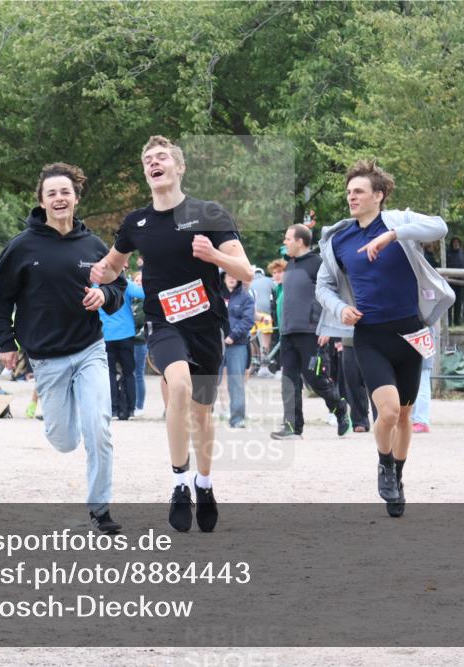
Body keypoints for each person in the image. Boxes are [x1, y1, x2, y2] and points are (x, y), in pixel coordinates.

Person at [91, 135, 253, 533]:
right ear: (146, 172)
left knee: (201, 415)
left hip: (207, 326)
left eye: (162, 157)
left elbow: (246, 272)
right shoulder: (136, 223)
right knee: (177, 385)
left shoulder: (209, 213)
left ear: (179, 168)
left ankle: (205, 483)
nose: (154, 162)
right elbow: (113, 265)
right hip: (162, 323)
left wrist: (214, 256)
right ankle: (180, 482)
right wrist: (101, 274)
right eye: (148, 159)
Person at [0, 162, 125, 533]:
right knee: (65, 441)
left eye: (65, 192)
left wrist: (105, 293)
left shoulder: (94, 246)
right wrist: (5, 342)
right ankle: (70, 418)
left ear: (76, 198)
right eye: (52, 193)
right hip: (46, 359)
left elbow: (119, 288)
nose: (59, 198)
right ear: (42, 201)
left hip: (89, 349)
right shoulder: (22, 247)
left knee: (99, 428)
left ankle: (100, 508)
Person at [316, 159, 453, 518]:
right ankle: (383, 463)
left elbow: (440, 227)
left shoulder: (400, 223)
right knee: (388, 411)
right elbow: (324, 286)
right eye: (348, 192)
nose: (351, 197)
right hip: (370, 334)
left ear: (379, 195)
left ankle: (398, 474)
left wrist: (395, 235)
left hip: (410, 331)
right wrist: (338, 309)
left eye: (358, 191)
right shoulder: (339, 239)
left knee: (405, 416)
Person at [270, 223, 352, 440]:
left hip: (312, 333)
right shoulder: (289, 266)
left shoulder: (318, 264)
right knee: (289, 382)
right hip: (288, 334)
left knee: (316, 378)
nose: (285, 243)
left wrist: (329, 329)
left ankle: (340, 409)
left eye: (288, 239)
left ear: (299, 241)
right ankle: (292, 427)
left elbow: (333, 296)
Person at [99, 266, 146, 420]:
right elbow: (142, 293)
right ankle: (131, 409)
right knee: (129, 373)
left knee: (109, 373)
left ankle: (113, 409)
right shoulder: (124, 283)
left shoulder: (97, 285)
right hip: (126, 333)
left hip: (106, 335)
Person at [220, 272, 254, 428]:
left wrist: (233, 336)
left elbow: (248, 320)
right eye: (228, 275)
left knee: (236, 382)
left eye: (235, 275)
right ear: (223, 277)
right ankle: (203, 415)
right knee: (210, 379)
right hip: (215, 344)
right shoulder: (215, 294)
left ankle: (237, 419)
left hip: (237, 344)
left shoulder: (246, 298)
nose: (232, 278)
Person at [249, 267, 275, 377]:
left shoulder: (249, 281)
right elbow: (276, 292)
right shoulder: (268, 280)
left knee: (251, 341)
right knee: (265, 342)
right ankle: (264, 368)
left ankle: (252, 367)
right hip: (264, 315)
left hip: (251, 315)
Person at [130, 271, 148, 417]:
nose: (139, 283)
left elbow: (139, 319)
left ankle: (139, 405)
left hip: (140, 341)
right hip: (127, 340)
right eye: (136, 281)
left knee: (138, 374)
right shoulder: (130, 298)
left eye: (141, 281)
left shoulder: (144, 300)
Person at [446, 236, 464, 326]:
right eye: (454, 242)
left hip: (460, 281)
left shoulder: (463, 254)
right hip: (449, 281)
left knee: (458, 302)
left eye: (457, 242)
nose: (455, 244)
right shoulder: (447, 253)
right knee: (449, 302)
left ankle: (457, 321)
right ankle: (448, 321)